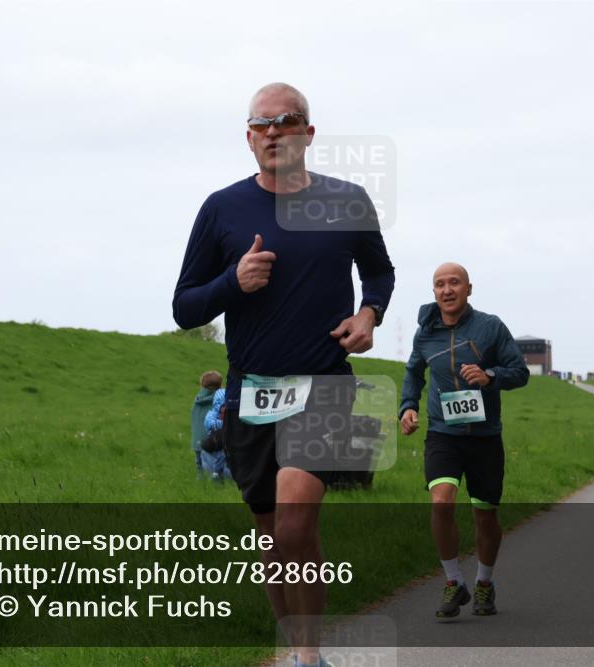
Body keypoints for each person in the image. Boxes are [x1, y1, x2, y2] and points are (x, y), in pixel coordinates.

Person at [173, 82, 395, 667]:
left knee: (296, 520)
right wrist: (233, 281)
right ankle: (300, 651)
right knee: (273, 538)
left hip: (323, 382)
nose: (273, 131)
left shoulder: (347, 200)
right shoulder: (221, 209)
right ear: (248, 138)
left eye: (286, 120)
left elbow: (379, 271)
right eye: (261, 124)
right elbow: (185, 307)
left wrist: (370, 313)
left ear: (308, 133)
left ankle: (309, 655)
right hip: (250, 391)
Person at [398, 262, 529, 619]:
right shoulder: (425, 333)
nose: (447, 290)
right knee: (441, 502)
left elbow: (520, 372)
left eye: (454, 282)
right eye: (440, 284)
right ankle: (454, 581)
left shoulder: (490, 327)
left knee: (485, 515)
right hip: (443, 433)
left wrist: (490, 376)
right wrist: (407, 407)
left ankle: (484, 583)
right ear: (434, 292)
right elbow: (413, 372)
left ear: (468, 289)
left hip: (485, 436)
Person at [190, 371, 223, 479]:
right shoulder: (220, 399)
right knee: (215, 462)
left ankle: (200, 478)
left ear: (202, 385)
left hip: (197, 439)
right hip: (212, 440)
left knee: (199, 462)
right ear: (220, 386)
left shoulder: (198, 399)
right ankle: (216, 478)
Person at [202, 387, 233, 483]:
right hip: (215, 441)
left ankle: (222, 473)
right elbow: (209, 423)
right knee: (221, 455)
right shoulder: (212, 414)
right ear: (218, 405)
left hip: (224, 440)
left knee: (225, 455)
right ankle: (216, 474)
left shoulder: (229, 413)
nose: (225, 408)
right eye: (223, 405)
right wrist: (223, 423)